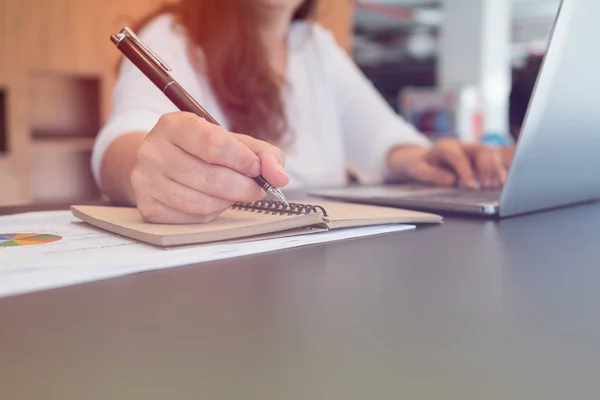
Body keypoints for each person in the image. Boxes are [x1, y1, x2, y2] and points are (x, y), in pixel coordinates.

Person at [93, 0, 512, 223]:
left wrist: (427, 159)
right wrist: (143, 170)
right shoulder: (172, 36)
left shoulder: (315, 45)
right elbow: (125, 141)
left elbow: (383, 140)